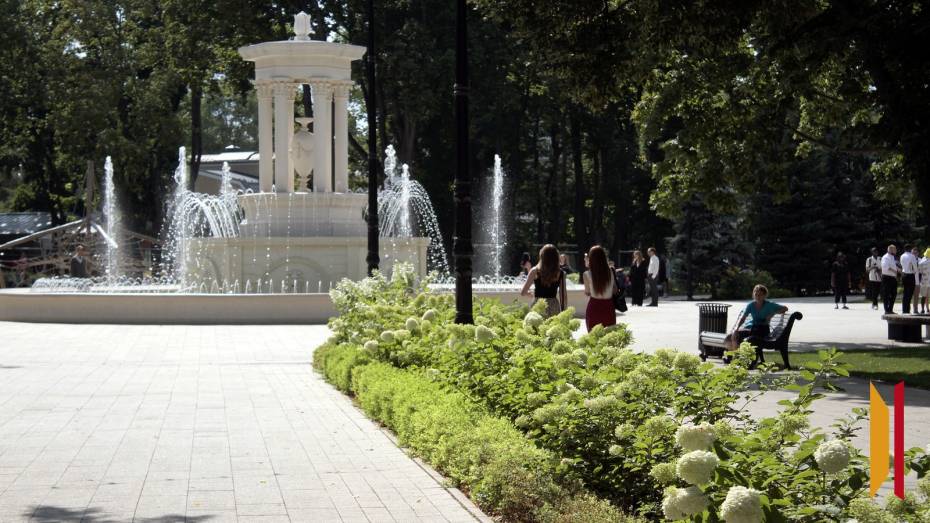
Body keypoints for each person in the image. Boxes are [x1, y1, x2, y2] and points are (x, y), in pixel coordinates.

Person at [725, 284, 789, 367]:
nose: (758, 296)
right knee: (732, 336)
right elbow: (743, 318)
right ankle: (735, 358)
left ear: (764, 295)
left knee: (751, 339)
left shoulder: (769, 305)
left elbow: (785, 308)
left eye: (760, 294)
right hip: (753, 329)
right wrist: (737, 329)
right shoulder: (751, 305)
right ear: (753, 294)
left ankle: (744, 360)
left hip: (763, 330)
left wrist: (772, 313)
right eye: (756, 294)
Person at [520, 244, 568, 317]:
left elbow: (523, 292)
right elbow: (563, 296)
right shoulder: (561, 273)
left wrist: (533, 294)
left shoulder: (534, 271)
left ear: (542, 256)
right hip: (553, 306)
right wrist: (564, 313)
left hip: (538, 305)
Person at [583, 245, 616, 331]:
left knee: (593, 336)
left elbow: (587, 292)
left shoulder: (586, 274)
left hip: (594, 307)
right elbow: (614, 290)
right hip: (608, 307)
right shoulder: (611, 271)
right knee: (609, 336)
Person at [881, 244, 899, 314]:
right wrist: (895, 271)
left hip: (893, 278)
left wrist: (898, 271)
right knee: (886, 294)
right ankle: (886, 310)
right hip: (887, 278)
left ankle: (890, 309)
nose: (896, 250)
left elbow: (893, 266)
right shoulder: (885, 257)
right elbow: (886, 267)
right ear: (891, 250)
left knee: (894, 294)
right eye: (895, 249)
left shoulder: (892, 257)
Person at [900, 243, 918, 314]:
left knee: (905, 293)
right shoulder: (912, 256)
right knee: (910, 293)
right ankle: (907, 309)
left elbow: (902, 265)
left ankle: (904, 309)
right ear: (910, 249)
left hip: (904, 274)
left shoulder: (902, 256)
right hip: (910, 275)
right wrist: (915, 271)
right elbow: (915, 266)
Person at [919, 248, 930, 314]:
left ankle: (922, 309)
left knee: (923, 296)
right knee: (928, 296)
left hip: (924, 281)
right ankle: (928, 309)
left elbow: (919, 271)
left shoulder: (922, 261)